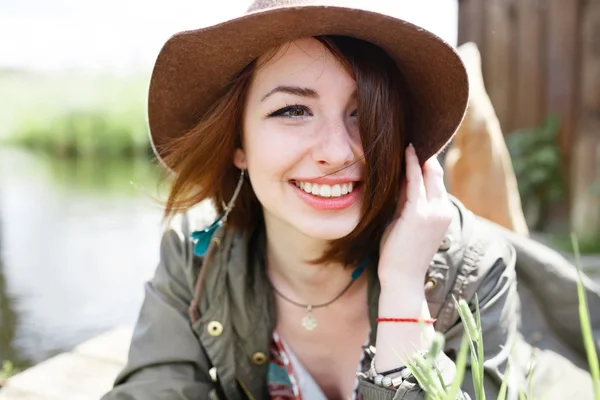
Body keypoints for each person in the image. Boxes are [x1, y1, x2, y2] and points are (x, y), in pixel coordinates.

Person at [102, 1, 600, 399]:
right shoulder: (196, 256)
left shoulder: (470, 268)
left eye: (364, 114)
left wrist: (405, 289)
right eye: (294, 110)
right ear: (237, 143)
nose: (339, 152)